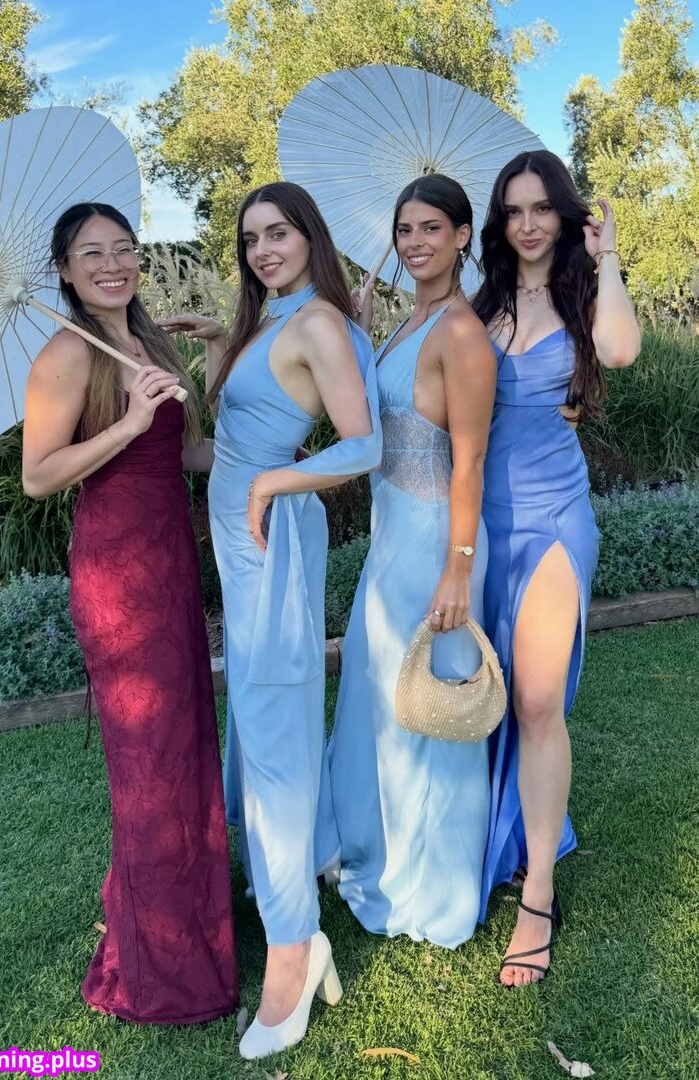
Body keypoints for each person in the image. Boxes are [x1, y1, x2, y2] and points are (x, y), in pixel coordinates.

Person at [160, 181, 381, 1059]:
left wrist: (271, 485)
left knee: (275, 723)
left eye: (278, 233)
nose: (261, 250)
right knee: (262, 720)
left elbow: (364, 444)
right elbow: (233, 442)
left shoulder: (318, 322)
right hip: (243, 535)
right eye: (250, 238)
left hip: (272, 536)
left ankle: (295, 946)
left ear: (309, 236)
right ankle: (299, 865)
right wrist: (218, 352)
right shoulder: (269, 319)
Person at [21, 202, 239, 1023]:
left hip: (170, 559)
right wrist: (133, 420)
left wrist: (268, 454)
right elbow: (39, 476)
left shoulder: (148, 342)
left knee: (181, 743)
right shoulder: (67, 353)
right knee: (150, 760)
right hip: (117, 574)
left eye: (124, 249)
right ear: (65, 270)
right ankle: (162, 961)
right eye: (91, 254)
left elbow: (185, 453)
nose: (112, 264)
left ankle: (192, 923)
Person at [472, 151, 640, 986]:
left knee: (537, 702)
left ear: (565, 215)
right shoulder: (482, 302)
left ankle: (537, 893)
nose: (528, 224)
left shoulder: (582, 294)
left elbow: (620, 351)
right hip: (480, 527)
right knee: (489, 699)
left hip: (553, 522)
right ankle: (502, 838)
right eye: (513, 210)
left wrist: (608, 259)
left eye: (542, 208)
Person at [326, 175, 496, 946]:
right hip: (391, 535)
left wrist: (457, 568)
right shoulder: (408, 322)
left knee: (429, 705)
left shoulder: (461, 332)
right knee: (384, 696)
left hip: (434, 541)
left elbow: (469, 462)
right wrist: (363, 337)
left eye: (432, 228)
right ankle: (381, 851)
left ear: (462, 236)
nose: (415, 242)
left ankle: (433, 889)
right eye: (405, 229)